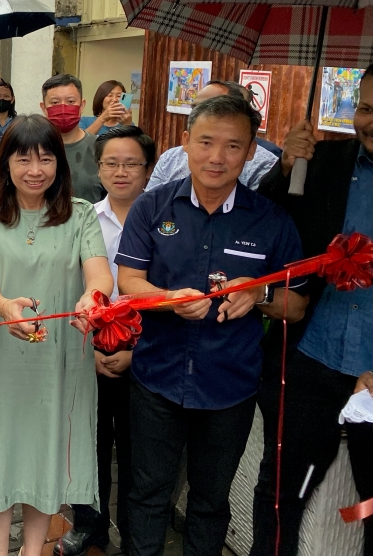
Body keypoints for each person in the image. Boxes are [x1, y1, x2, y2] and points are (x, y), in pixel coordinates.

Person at [114, 94, 308, 556]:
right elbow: (129, 282)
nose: (217, 157)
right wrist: (167, 299)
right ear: (185, 143)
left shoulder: (273, 222)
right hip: (156, 380)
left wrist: (259, 294)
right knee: (146, 495)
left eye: (233, 146)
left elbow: (296, 305)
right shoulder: (153, 207)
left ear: (252, 150)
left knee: (209, 502)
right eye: (205, 142)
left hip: (230, 387)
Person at [0, 114, 113, 556]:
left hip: (61, 358)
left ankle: (32, 551)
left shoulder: (81, 214)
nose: (35, 169)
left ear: (59, 165)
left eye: (46, 158)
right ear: (5, 163)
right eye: (23, 158)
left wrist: (93, 296)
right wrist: (6, 307)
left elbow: (99, 273)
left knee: (45, 455)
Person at [250, 65, 373, 556]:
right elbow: (268, 220)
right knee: (282, 494)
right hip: (309, 362)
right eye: (365, 108)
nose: (370, 121)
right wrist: (284, 170)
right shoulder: (324, 161)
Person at [55, 125, 156, 556]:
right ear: (98, 168)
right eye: (111, 163)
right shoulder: (83, 220)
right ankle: (89, 527)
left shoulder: (162, 223)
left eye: (131, 163)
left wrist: (134, 351)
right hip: (89, 350)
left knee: (138, 454)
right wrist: (93, 348)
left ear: (148, 170)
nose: (120, 172)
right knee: (88, 446)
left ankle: (136, 533)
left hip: (145, 354)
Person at [146, 81, 278, 191]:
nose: (216, 159)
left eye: (214, 107)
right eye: (195, 107)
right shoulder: (170, 158)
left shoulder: (264, 163)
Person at [40, 74, 105, 203]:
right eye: (55, 103)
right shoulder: (33, 148)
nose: (63, 107)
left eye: (70, 101)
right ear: (44, 108)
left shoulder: (102, 148)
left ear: (82, 105)